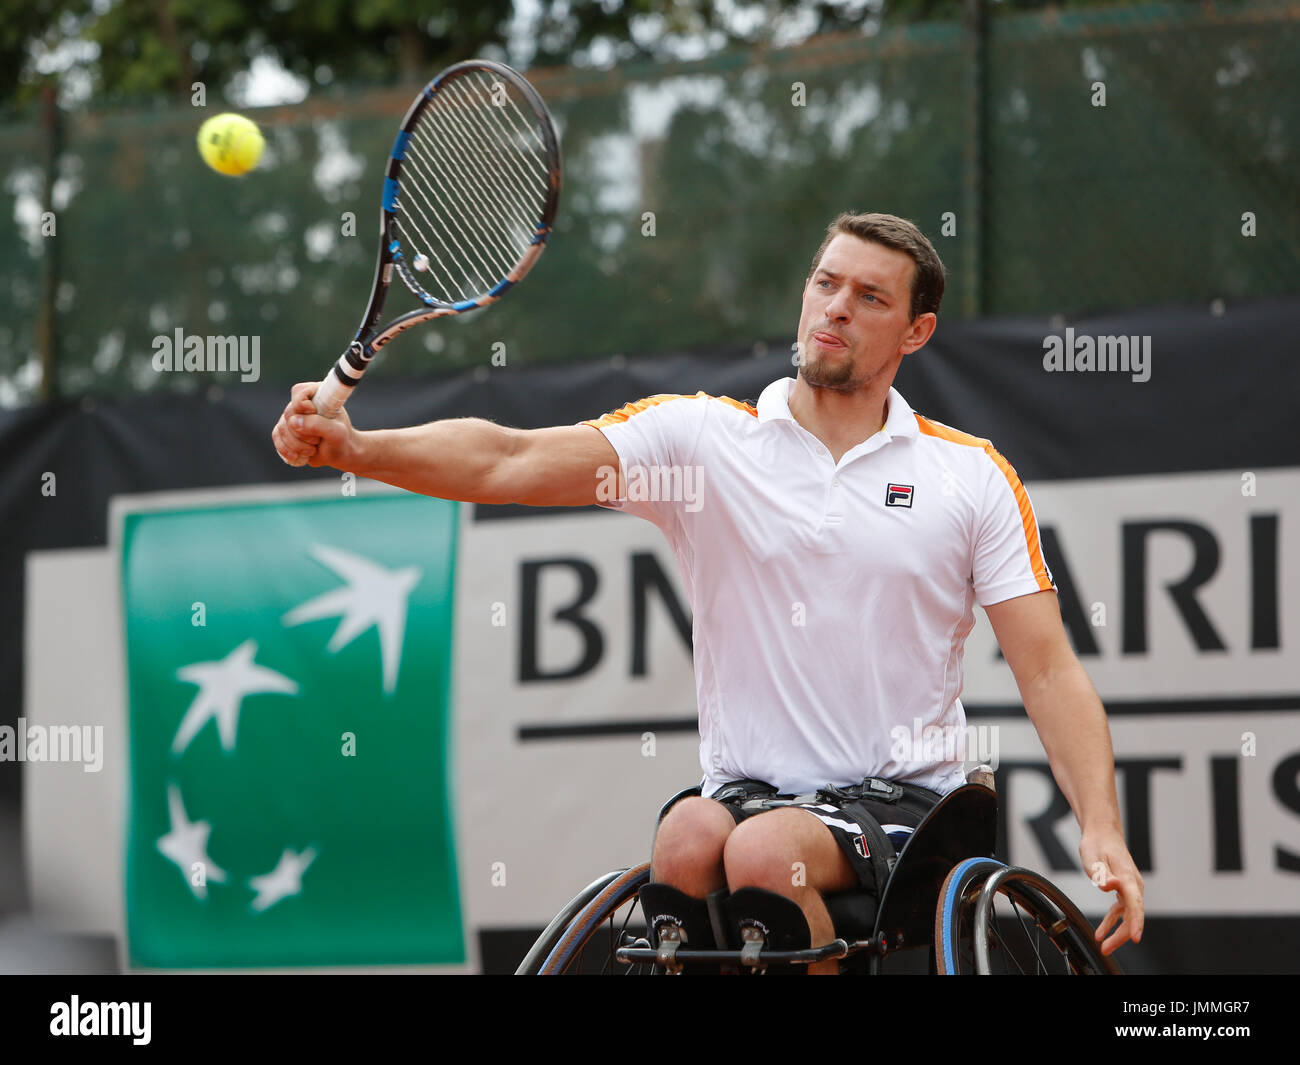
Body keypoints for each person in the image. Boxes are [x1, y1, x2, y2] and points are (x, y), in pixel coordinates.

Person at [272, 211, 1145, 971]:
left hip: (911, 807)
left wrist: (1100, 826)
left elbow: (1048, 671)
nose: (836, 306)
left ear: (916, 333)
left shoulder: (971, 476)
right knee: (687, 839)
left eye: (870, 297)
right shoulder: (702, 442)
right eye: (825, 283)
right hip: (746, 790)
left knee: (766, 851)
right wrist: (358, 449)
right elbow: (510, 458)